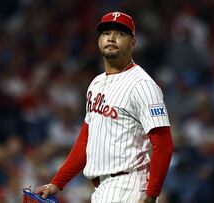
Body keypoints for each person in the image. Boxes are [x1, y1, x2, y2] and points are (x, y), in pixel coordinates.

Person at [35, 11, 174, 203]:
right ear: (99, 40)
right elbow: (86, 141)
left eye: (120, 33)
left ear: (133, 41)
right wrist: (57, 183)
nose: (111, 38)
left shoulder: (142, 85)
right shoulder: (96, 83)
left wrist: (151, 195)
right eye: (106, 33)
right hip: (103, 189)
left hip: (129, 186)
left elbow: (163, 144)